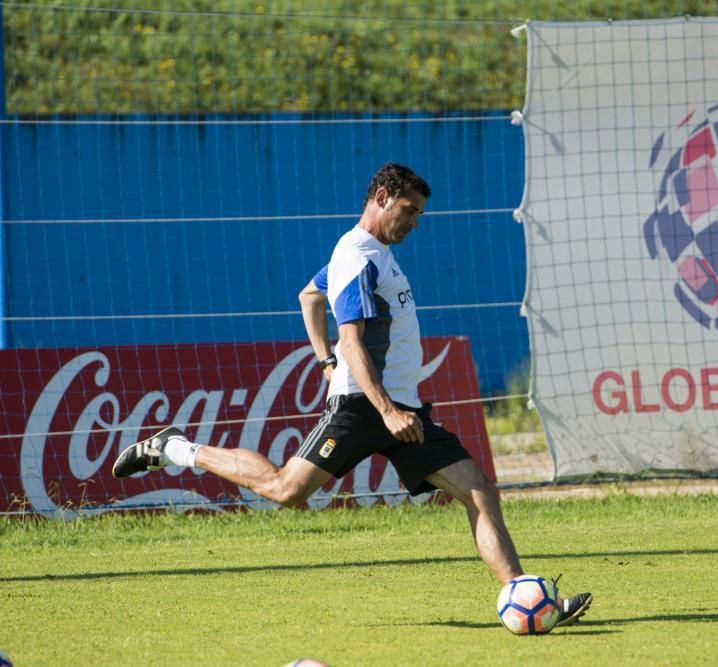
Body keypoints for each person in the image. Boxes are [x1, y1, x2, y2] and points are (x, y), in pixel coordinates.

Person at [113, 162, 592, 626]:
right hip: (366, 408)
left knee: (480, 490)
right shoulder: (358, 257)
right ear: (381, 198)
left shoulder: (370, 255)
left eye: (420, 214)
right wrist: (376, 401)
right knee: (285, 490)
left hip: (399, 410)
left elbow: (309, 296)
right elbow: (353, 340)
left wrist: (326, 364)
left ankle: (525, 596)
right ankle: (174, 447)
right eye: (408, 210)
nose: (414, 222)